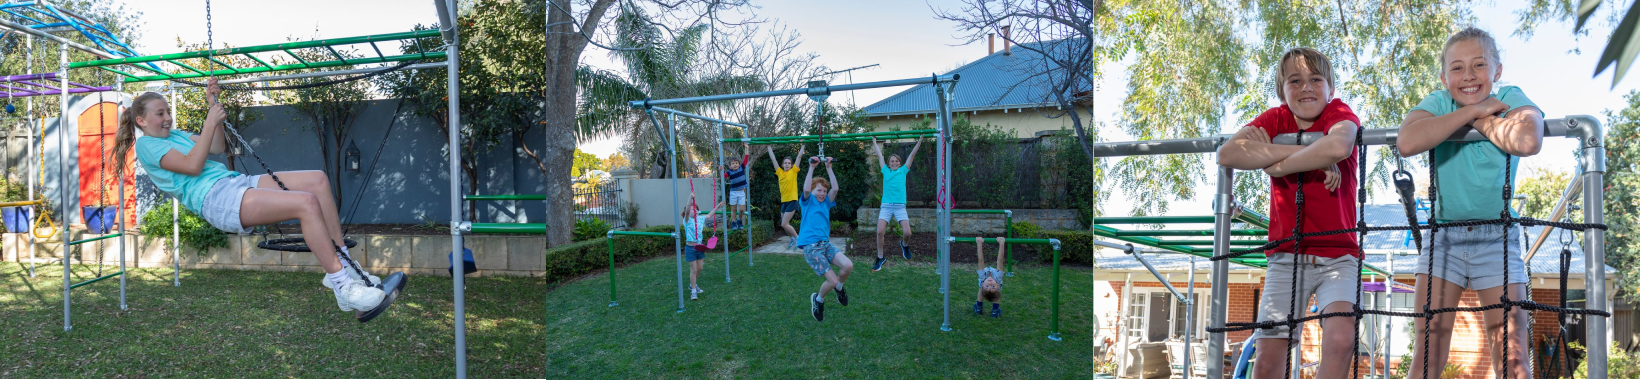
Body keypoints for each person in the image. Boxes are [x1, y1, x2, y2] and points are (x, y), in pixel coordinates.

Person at [110, 79, 392, 319]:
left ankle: (345, 266)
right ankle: (342, 287)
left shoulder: (177, 135)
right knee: (305, 203)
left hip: (233, 183)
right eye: (160, 114)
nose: (167, 118)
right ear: (141, 120)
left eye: (168, 111)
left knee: (316, 180)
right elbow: (193, 166)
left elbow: (218, 146)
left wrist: (212, 108)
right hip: (216, 199)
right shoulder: (148, 145)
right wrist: (209, 122)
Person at [1395, 27, 1542, 379]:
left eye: (1479, 65)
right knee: (1429, 346)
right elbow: (1407, 141)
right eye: (1457, 68)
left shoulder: (1509, 95)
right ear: (1445, 77)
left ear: (1497, 70)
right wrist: (1474, 112)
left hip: (1497, 237)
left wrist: (1481, 116)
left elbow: (1527, 139)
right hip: (1443, 238)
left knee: (1513, 353)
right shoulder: (1439, 102)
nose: (1469, 75)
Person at [1216, 47, 1361, 379]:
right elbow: (1228, 153)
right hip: (1286, 256)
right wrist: (1311, 151)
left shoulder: (1338, 113)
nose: (1306, 87)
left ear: (1331, 88)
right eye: (1295, 81)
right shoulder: (1275, 119)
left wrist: (1273, 162)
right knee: (1267, 358)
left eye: (1315, 79)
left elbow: (1339, 146)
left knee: (1341, 339)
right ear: (1282, 90)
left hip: (1338, 255)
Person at [797, 156, 852, 322]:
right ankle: (818, 300)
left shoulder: (826, 203)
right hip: (811, 247)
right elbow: (806, 189)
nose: (821, 193)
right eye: (818, 190)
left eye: (823, 191)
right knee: (833, 280)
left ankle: (839, 288)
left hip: (825, 245)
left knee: (848, 266)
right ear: (813, 192)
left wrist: (829, 168)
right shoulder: (807, 202)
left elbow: (835, 189)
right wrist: (812, 168)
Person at [869, 135, 923, 271]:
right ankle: (880, 257)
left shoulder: (903, 171)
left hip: (900, 207)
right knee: (880, 231)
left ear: (899, 163)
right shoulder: (885, 171)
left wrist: (920, 140)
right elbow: (880, 156)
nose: (894, 163)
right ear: (889, 164)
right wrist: (874, 142)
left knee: (907, 233)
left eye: (896, 161)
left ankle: (904, 245)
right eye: (892, 161)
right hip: (886, 206)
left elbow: (912, 155)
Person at [683, 200, 725, 300]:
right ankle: (693, 291)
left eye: (696, 209)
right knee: (693, 269)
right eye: (693, 209)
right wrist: (690, 198)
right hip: (690, 248)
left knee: (700, 268)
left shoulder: (700, 219)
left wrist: (718, 206)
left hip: (700, 247)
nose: (695, 210)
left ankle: (692, 285)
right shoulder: (687, 220)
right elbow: (688, 211)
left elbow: (710, 215)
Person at [767, 144, 807, 243]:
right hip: (784, 201)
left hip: (792, 200)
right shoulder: (780, 172)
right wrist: (768, 146)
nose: (787, 164)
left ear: (792, 165)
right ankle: (792, 238)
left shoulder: (793, 171)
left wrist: (802, 145)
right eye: (785, 163)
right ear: (782, 164)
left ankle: (798, 239)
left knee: (784, 224)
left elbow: (799, 157)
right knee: (784, 224)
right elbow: (773, 159)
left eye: (789, 163)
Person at [973, 237, 1006, 318]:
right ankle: (995, 311)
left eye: (987, 285)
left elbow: (980, 260)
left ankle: (978, 307)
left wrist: (979, 244)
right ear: (997, 285)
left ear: (983, 284)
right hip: (996, 280)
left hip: (984, 280)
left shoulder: (982, 277)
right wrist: (1001, 244)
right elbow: (1000, 260)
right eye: (993, 286)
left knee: (983, 290)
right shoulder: (998, 277)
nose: (990, 283)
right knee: (995, 293)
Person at [721, 142, 752, 230]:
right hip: (734, 192)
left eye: (736, 163)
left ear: (739, 164)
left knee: (741, 209)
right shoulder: (729, 172)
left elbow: (746, 158)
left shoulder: (742, 168)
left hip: (741, 192)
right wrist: (720, 170)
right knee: (734, 209)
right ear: (730, 166)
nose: (735, 164)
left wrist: (746, 148)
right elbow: (722, 176)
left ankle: (739, 220)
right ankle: (733, 222)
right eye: (733, 163)